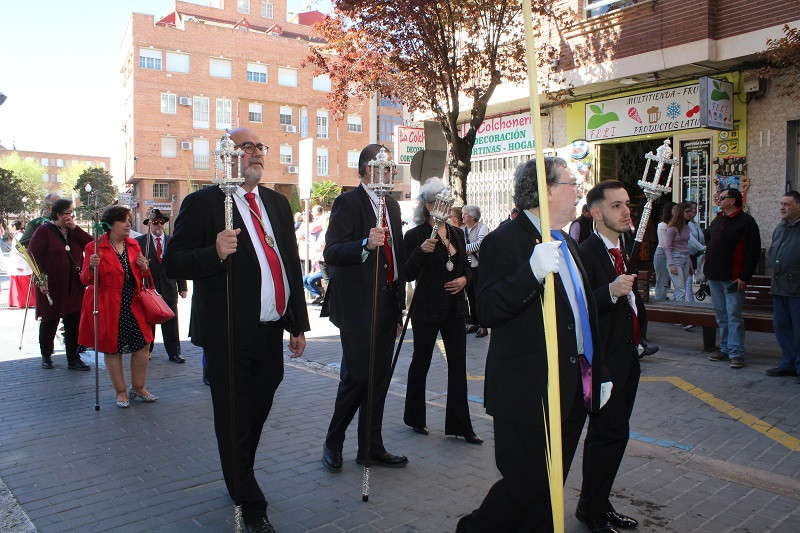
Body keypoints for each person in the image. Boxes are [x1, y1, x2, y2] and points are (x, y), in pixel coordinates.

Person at [166, 127, 308, 533]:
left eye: (260, 147)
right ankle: (250, 500)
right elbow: (173, 262)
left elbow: (289, 266)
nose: (257, 154)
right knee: (232, 416)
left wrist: (297, 322)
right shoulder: (205, 203)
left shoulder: (277, 203)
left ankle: (239, 469)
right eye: (248, 147)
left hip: (270, 331)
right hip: (227, 331)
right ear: (228, 156)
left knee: (256, 410)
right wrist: (213, 253)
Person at [457, 157, 603, 532]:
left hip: (570, 391)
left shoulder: (567, 239)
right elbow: (486, 309)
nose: (579, 192)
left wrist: (594, 371)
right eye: (573, 183)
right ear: (548, 190)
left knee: (549, 491)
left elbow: (578, 315)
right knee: (525, 486)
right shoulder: (503, 240)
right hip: (527, 393)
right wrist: (532, 273)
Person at [321, 143, 408, 472]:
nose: (391, 172)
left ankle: (371, 445)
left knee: (379, 378)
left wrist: (398, 305)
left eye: (392, 166)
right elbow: (332, 252)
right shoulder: (348, 203)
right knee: (357, 377)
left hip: (386, 303)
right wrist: (364, 243)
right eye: (386, 166)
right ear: (369, 169)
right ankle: (334, 440)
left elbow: (396, 260)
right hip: (358, 306)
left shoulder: (392, 206)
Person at [576, 180, 643, 532]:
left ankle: (598, 502)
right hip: (602, 360)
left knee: (616, 434)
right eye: (617, 206)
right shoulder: (583, 252)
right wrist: (609, 291)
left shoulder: (626, 246)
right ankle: (592, 510)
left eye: (627, 204)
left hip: (628, 355)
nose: (626, 211)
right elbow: (577, 307)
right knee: (607, 434)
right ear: (597, 213)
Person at [402, 177, 482, 445]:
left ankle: (461, 426)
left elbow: (467, 268)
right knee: (421, 362)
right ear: (427, 205)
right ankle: (415, 417)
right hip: (427, 308)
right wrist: (422, 251)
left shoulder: (457, 233)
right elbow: (407, 273)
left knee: (458, 365)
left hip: (455, 307)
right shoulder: (414, 235)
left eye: (447, 202)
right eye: (439, 202)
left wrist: (464, 280)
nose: (445, 207)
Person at [79, 206, 156, 407]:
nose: (128, 224)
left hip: (134, 304)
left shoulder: (133, 245)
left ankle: (138, 387)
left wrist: (144, 268)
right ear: (110, 225)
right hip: (109, 306)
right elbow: (86, 280)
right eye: (123, 220)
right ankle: (120, 392)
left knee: (143, 345)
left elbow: (142, 276)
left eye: (129, 220)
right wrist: (91, 267)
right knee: (113, 349)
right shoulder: (94, 248)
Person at [28, 199, 92, 371]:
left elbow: (91, 244)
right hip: (52, 285)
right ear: (58, 215)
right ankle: (46, 355)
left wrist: (75, 228)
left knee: (73, 321)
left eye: (72, 213)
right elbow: (33, 255)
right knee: (50, 320)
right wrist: (41, 279)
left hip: (74, 285)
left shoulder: (73, 231)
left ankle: (73, 357)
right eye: (67, 213)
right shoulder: (44, 231)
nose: (71, 216)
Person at [705, 188, 761, 369]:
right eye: (718, 197)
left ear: (733, 200)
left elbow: (753, 251)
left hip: (733, 278)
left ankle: (736, 353)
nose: (718, 200)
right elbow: (710, 242)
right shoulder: (719, 219)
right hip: (715, 276)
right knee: (721, 315)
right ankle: (726, 348)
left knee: (733, 315)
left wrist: (745, 276)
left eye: (722, 197)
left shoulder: (746, 222)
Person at [135, 209, 188, 363]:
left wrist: (182, 286)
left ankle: (174, 353)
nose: (158, 225)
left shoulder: (172, 241)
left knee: (171, 320)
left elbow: (179, 264)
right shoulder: (140, 242)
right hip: (148, 287)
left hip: (169, 286)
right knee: (149, 321)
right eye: (155, 222)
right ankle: (147, 350)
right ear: (150, 224)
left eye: (161, 222)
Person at [765, 191, 800, 381]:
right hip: (779, 286)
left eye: (787, 204)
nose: (782, 207)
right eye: (781, 204)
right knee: (781, 325)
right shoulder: (781, 227)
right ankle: (788, 363)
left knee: (798, 329)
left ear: (798, 207)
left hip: (797, 288)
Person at [462, 204, 488, 337]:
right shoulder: (462, 229)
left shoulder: (482, 227)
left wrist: (465, 249)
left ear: (472, 216)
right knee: (471, 295)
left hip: (479, 266)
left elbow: (481, 243)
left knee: (480, 295)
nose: (463, 216)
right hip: (468, 267)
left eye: (465, 214)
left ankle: (484, 325)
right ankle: (475, 322)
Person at [664, 202, 694, 303]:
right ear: (681, 212)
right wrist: (671, 264)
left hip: (685, 257)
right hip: (675, 258)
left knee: (682, 288)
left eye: (690, 211)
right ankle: (680, 313)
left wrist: (690, 264)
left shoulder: (687, 227)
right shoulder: (672, 228)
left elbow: (686, 246)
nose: (690, 213)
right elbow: (667, 247)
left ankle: (674, 311)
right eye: (687, 211)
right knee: (680, 288)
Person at [8, 220, 36, 308]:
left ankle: (23, 302)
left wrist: (20, 264)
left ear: (14, 226)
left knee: (23, 285)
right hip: (17, 263)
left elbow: (21, 251)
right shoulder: (18, 235)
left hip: (20, 264)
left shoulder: (19, 236)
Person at [653, 202, 676, 301]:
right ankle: (660, 300)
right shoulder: (663, 225)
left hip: (673, 253)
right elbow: (664, 243)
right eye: (674, 209)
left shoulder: (676, 226)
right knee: (662, 279)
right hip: (663, 253)